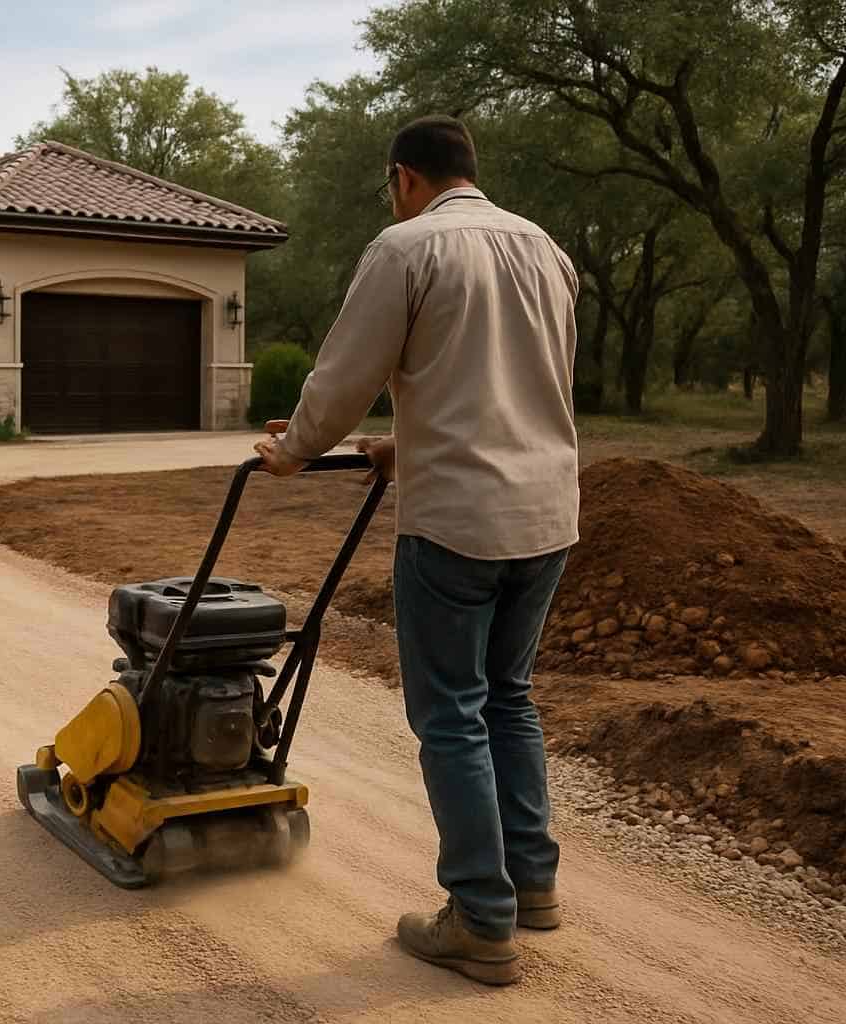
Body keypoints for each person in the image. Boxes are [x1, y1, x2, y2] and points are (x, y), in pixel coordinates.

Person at [253, 115, 580, 987]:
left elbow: (347, 374)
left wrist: (293, 450)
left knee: (452, 715)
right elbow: (513, 381)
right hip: (546, 514)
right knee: (509, 697)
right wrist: (407, 440)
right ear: (469, 171)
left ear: (404, 177)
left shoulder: (406, 249)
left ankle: (479, 918)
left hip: (458, 523)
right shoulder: (544, 247)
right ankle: (533, 885)